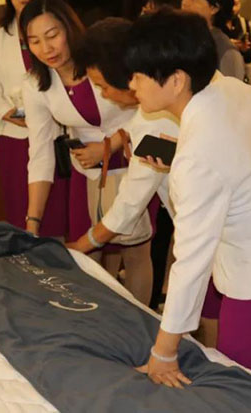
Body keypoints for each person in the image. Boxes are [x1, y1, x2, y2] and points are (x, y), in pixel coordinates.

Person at [128, 9, 251, 396]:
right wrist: (184, 158)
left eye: (138, 74)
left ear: (176, 80)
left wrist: (164, 352)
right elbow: (242, 160)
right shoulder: (237, 90)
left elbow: (191, 259)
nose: (131, 83)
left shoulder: (199, 153)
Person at [20, 0, 142, 295]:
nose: (46, 48)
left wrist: (111, 145)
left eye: (52, 35)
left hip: (133, 160)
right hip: (86, 172)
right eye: (35, 41)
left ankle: (141, 318)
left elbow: (146, 106)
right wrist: (32, 222)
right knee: (87, 253)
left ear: (69, 28)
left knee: (134, 251)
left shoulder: (102, 58)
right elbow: (40, 151)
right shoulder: (35, 84)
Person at [66, 17, 179, 306]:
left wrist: (83, 243)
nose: (104, 95)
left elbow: (132, 198)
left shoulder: (156, 123)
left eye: (103, 86)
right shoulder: (150, 110)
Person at [0, 0, 68, 237]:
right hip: (15, 136)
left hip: (55, 134)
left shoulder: (58, 35)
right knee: (20, 208)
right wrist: (20, 117)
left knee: (56, 212)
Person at [181, 0, 245, 81]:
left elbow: (232, 90)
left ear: (214, 8)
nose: (184, 3)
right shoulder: (186, 40)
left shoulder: (226, 51)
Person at [223, 0, 251, 81]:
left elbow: (249, 58)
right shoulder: (216, 24)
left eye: (236, 4)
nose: (233, 8)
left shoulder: (243, 23)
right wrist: (228, 44)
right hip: (221, 74)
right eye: (230, 4)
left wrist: (244, 49)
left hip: (238, 74)